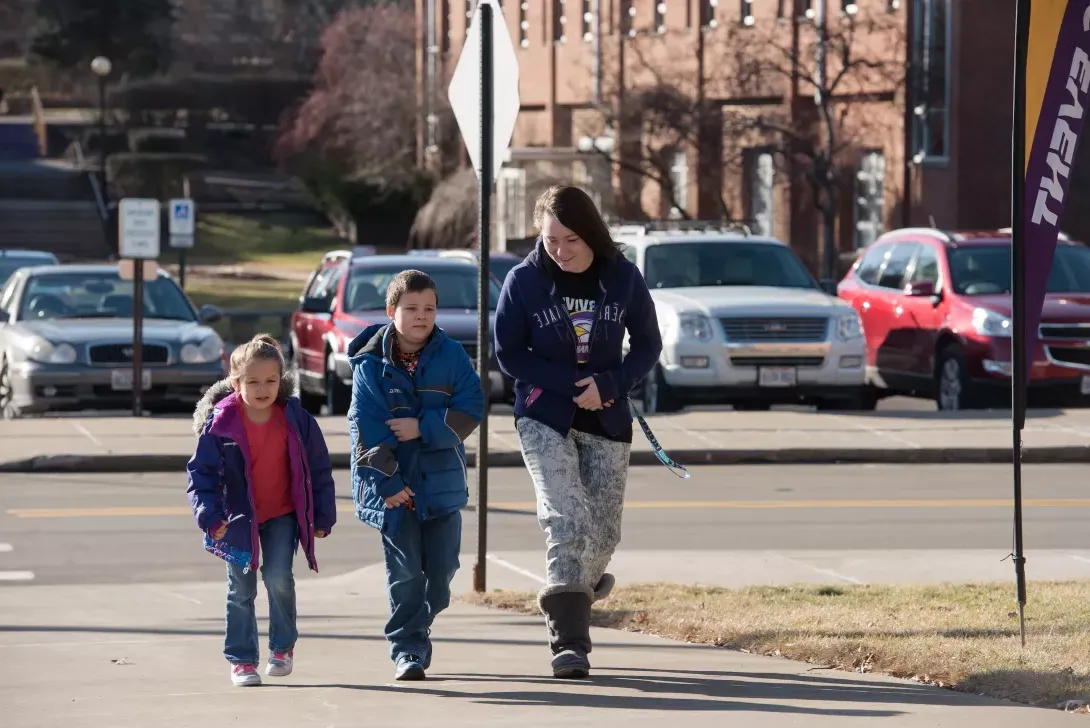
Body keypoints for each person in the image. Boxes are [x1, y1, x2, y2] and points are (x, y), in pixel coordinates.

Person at [494, 185, 663, 679]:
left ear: (591, 234)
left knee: (604, 533)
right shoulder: (523, 282)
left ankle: (573, 592)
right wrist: (573, 386)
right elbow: (509, 353)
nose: (561, 251)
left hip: (608, 417)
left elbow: (649, 344)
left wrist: (610, 383)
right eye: (550, 241)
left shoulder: (623, 277)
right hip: (544, 415)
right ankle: (570, 643)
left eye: (570, 240)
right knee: (565, 518)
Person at [347, 269, 483, 681]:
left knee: (441, 575)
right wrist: (387, 484)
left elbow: (471, 407)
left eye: (429, 308)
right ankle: (407, 648)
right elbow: (365, 429)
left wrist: (422, 427)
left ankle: (421, 621)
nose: (422, 316)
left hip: (441, 485)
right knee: (405, 573)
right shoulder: (369, 364)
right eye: (412, 308)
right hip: (393, 489)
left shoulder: (452, 355)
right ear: (392, 312)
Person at [186, 333, 337, 687]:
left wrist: (323, 515)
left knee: (278, 578)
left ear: (281, 380)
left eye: (270, 380)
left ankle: (282, 648)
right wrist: (208, 515)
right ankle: (242, 660)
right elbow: (201, 474)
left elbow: (319, 468)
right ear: (235, 383)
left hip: (283, 514)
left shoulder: (295, 419)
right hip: (238, 519)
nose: (262, 388)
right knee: (241, 590)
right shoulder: (221, 424)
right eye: (252, 381)